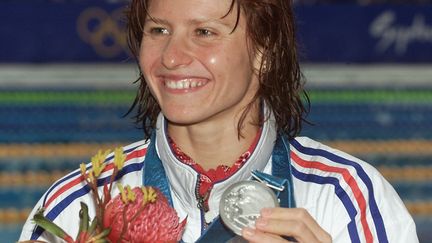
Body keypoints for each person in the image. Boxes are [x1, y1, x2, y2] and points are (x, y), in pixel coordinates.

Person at [20, 0, 418, 242]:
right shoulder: (80, 205)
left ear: (265, 51)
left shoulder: (347, 200)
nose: (172, 57)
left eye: (204, 32)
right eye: (158, 30)